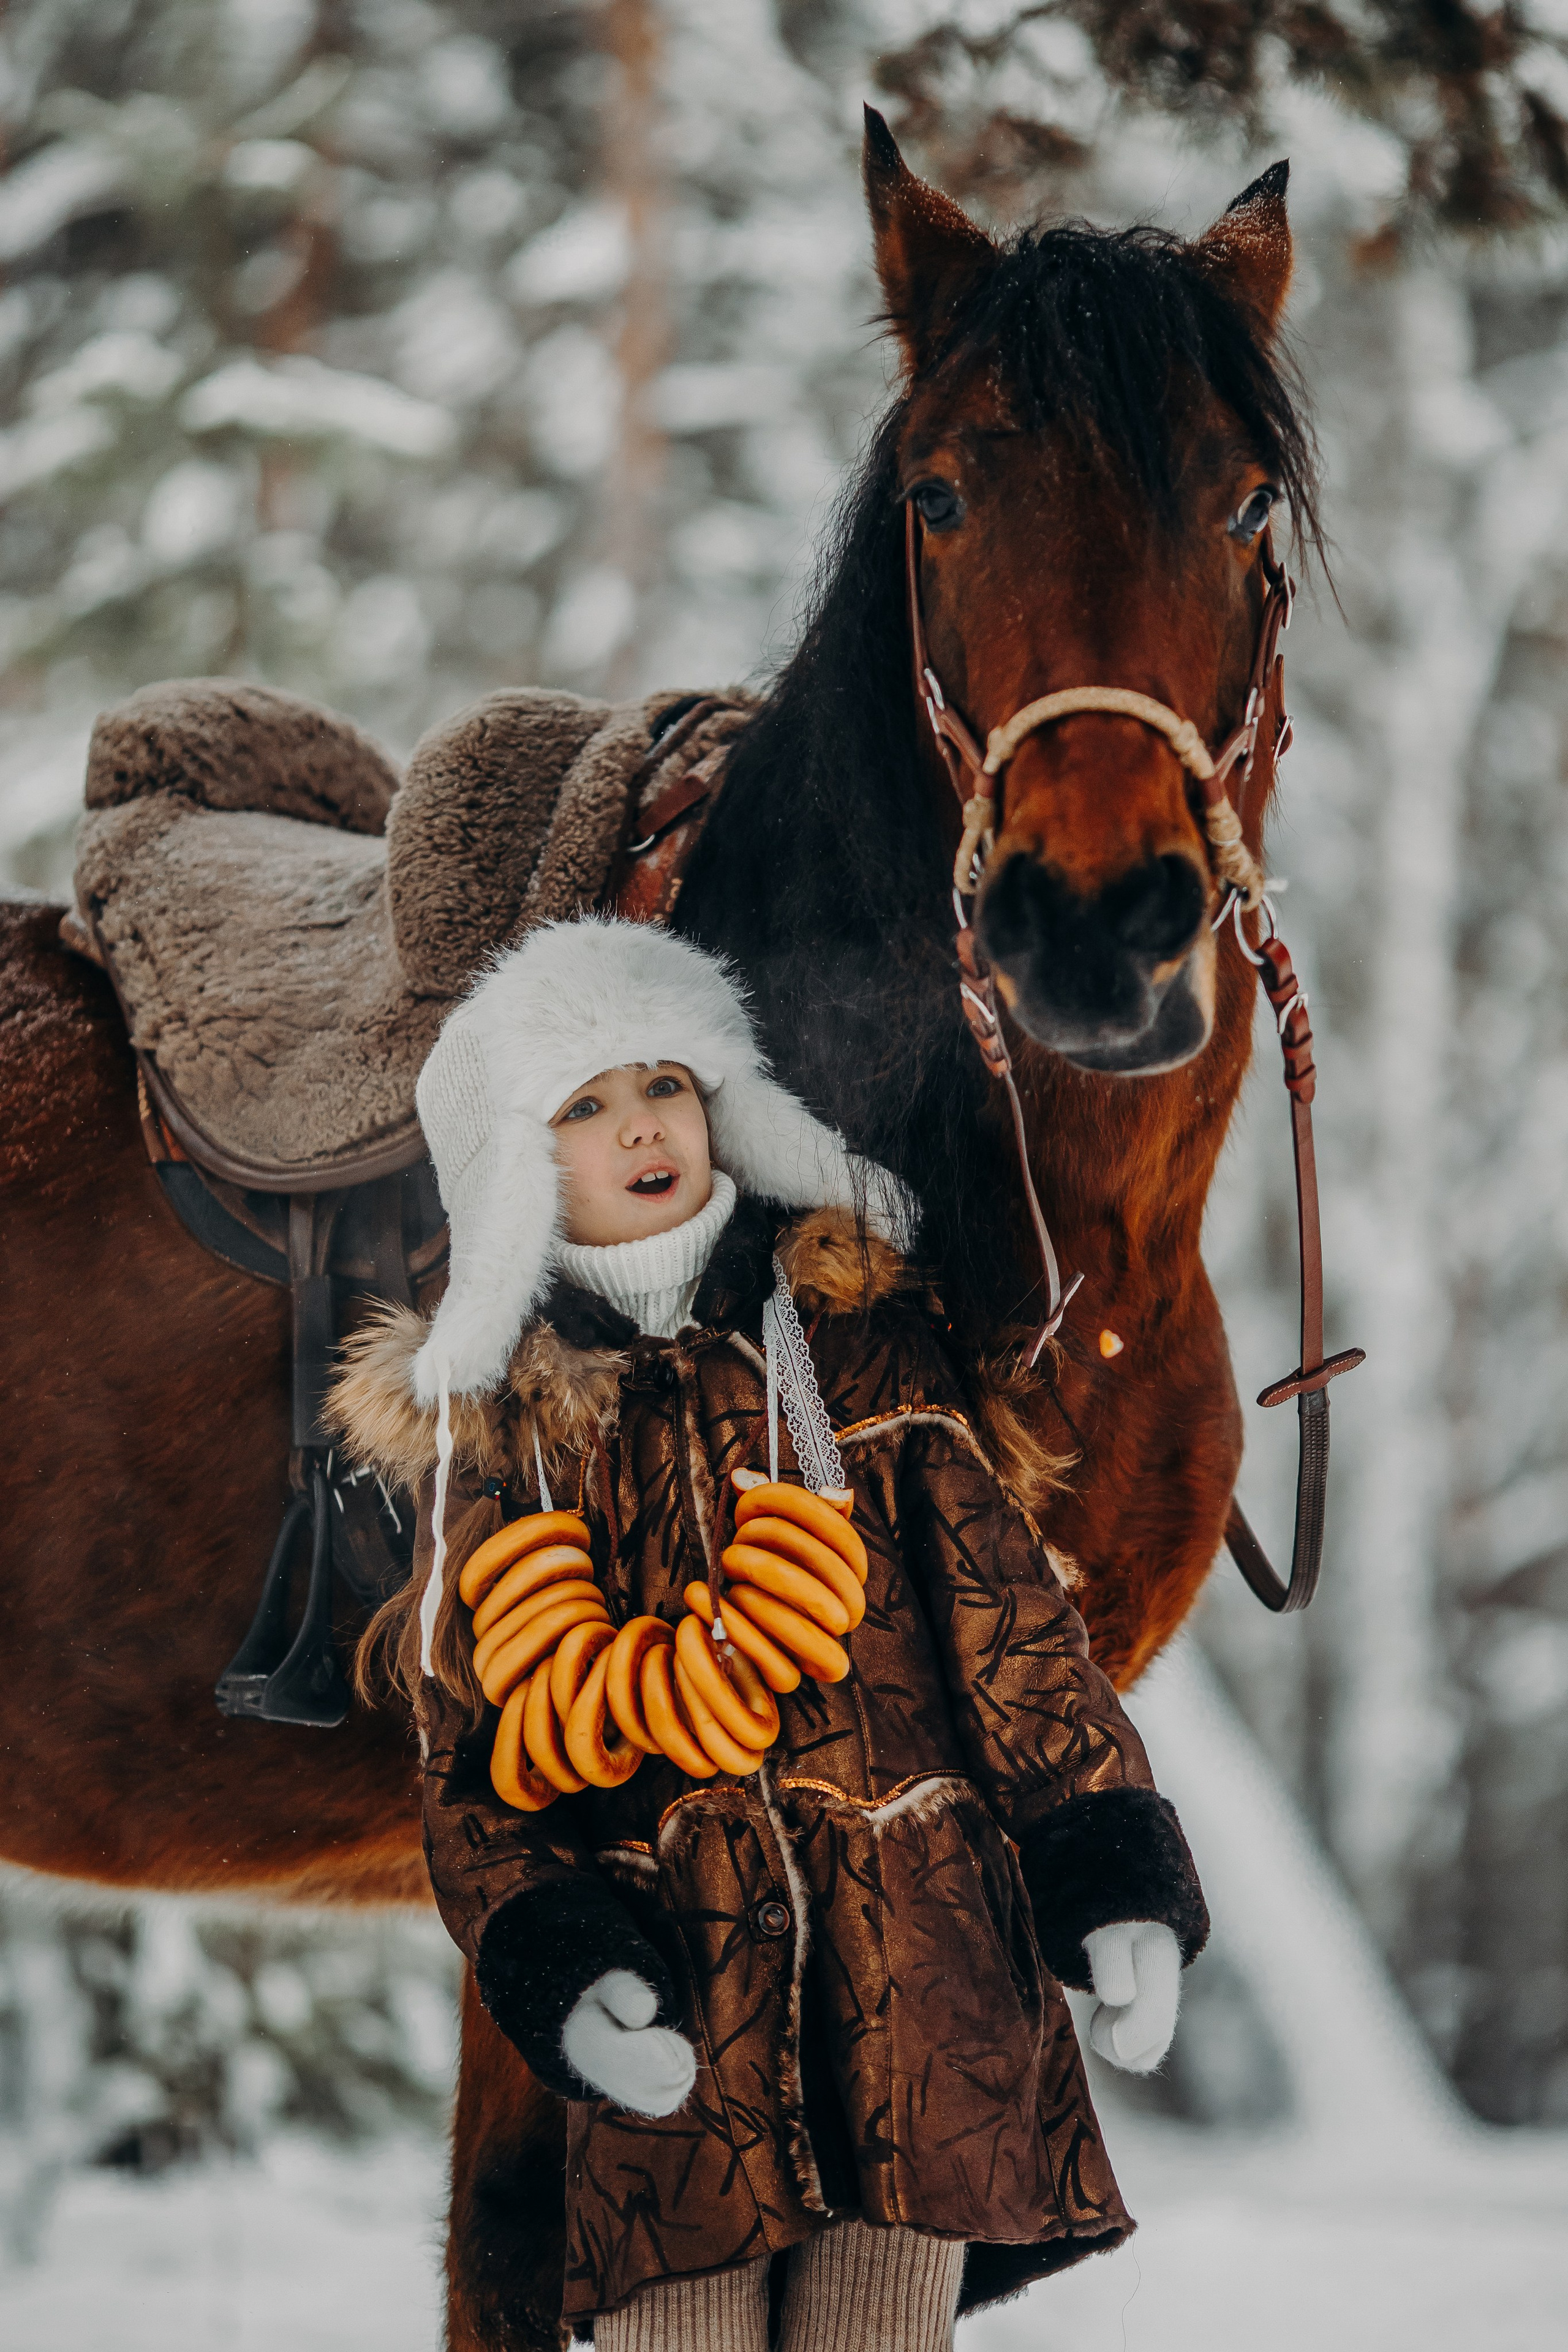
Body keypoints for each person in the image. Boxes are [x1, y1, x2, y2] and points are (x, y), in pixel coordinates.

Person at [329, 914, 1208, 2352]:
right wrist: (560, 1955)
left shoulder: (864, 1349)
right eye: (584, 1105)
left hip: (917, 1987)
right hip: (684, 2013)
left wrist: (1107, 1872)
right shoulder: (508, 1457)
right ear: (513, 1175)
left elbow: (1013, 1641)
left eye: (663, 1083)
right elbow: (473, 1758)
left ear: (725, 1106)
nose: (638, 1127)